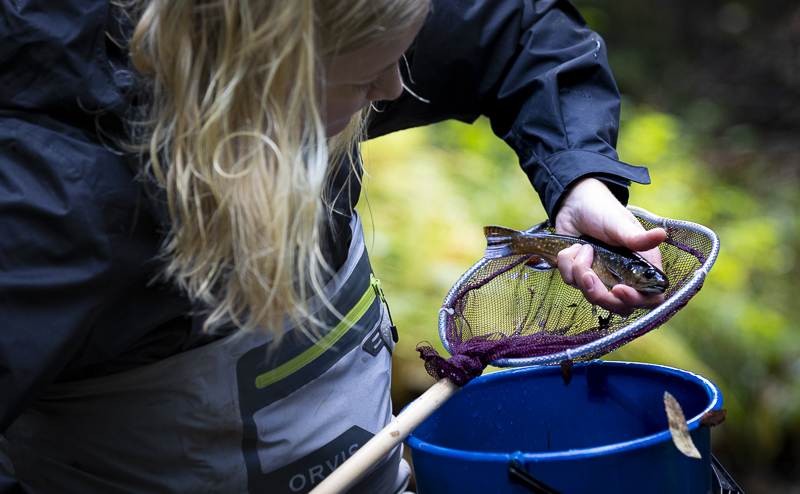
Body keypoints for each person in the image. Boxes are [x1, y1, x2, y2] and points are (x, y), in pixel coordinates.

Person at [0, 0, 663, 492]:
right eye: (361, 80)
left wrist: (579, 176)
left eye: (397, 56)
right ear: (250, 74)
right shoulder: (48, 199)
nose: (395, 90)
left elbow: (518, 30)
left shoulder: (348, 27)